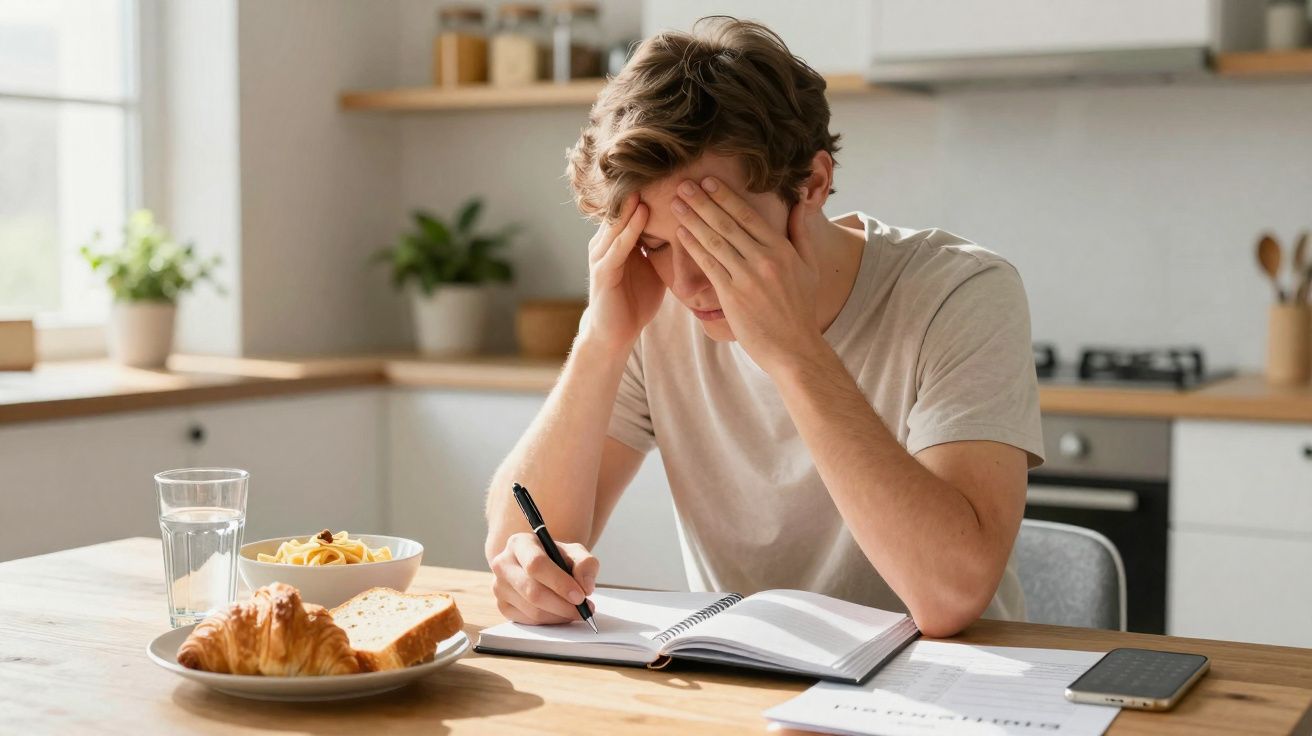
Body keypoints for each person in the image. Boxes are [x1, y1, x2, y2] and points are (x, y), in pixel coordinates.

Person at [483, 17, 1044, 638]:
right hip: (742, 675)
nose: (689, 284)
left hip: (946, 680)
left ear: (813, 184)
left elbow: (950, 595)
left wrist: (794, 350)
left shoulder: (960, 291)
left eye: (720, 238)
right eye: (658, 245)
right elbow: (516, 550)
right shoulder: (652, 306)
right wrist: (600, 340)